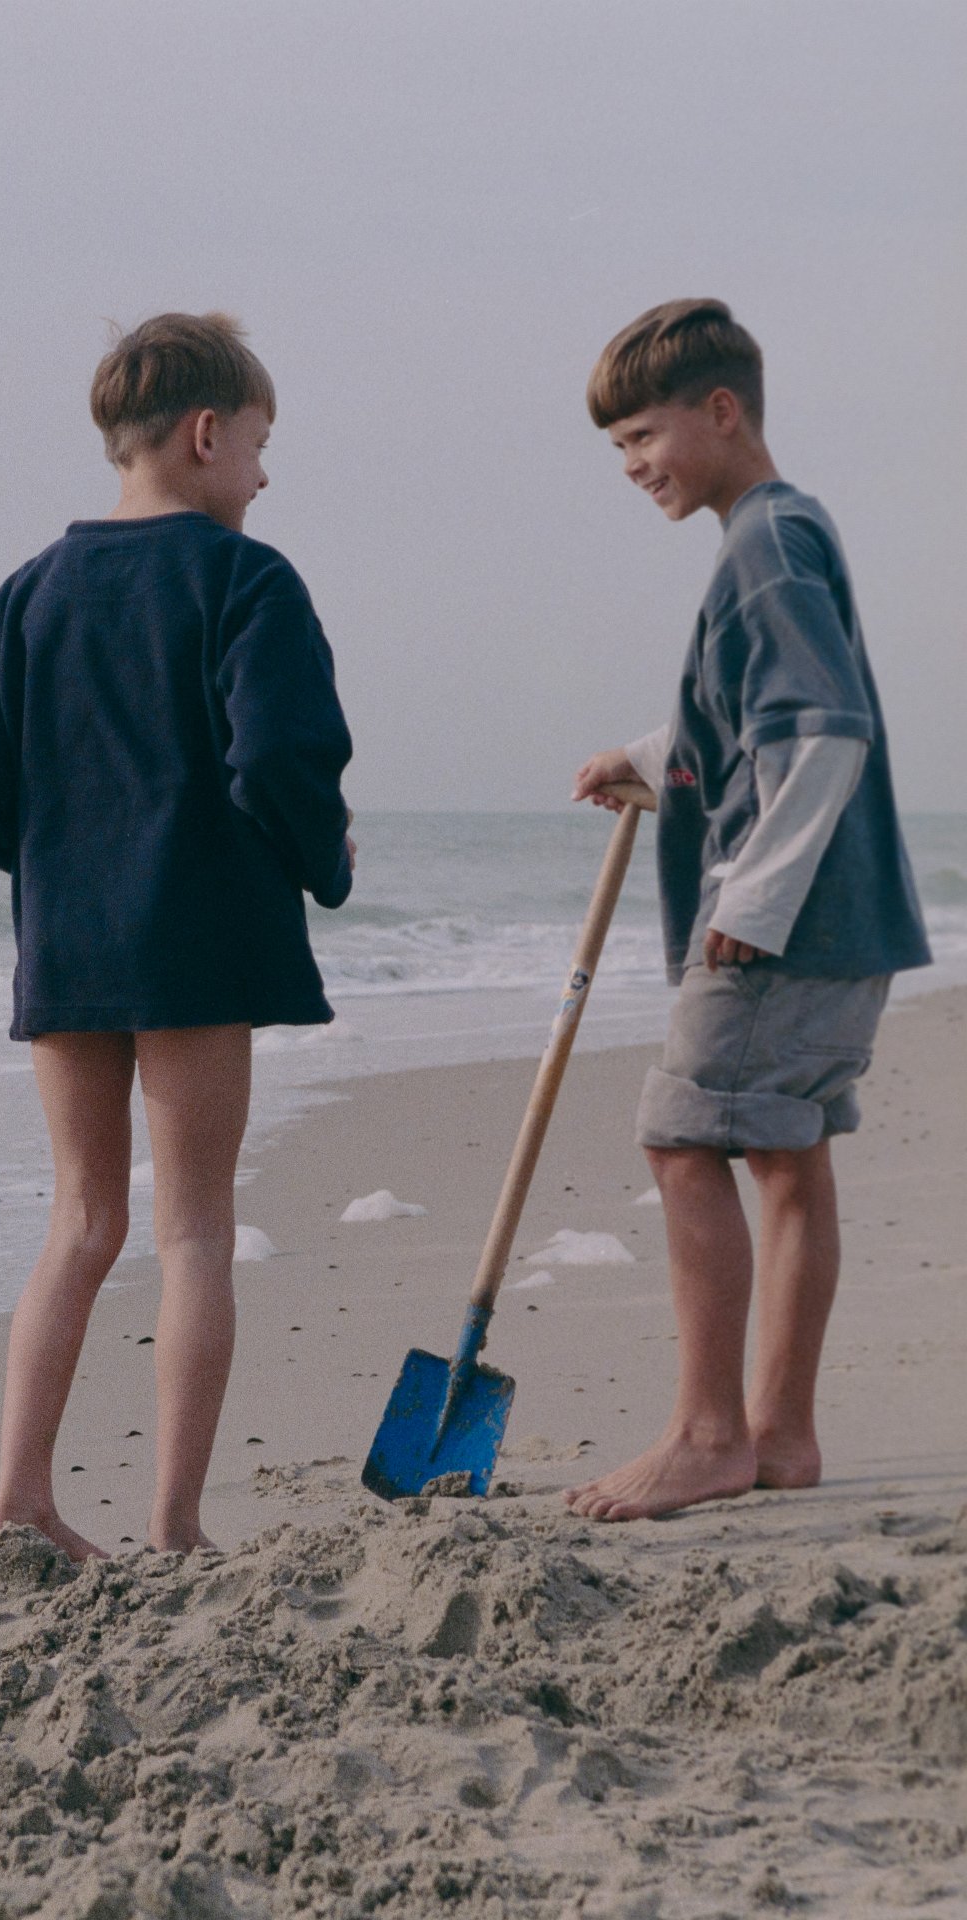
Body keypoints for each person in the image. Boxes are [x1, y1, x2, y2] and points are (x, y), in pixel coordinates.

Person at [0, 312, 354, 1557]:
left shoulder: (26, 593)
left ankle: (18, 1503)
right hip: (197, 942)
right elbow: (278, 759)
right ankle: (173, 1524)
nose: (264, 479)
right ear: (206, 433)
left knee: (78, 1223)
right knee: (194, 1230)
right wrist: (325, 858)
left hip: (68, 946)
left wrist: (66, 857)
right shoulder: (247, 580)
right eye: (260, 447)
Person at [567, 298, 930, 1522]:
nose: (631, 466)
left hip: (787, 928)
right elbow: (747, 715)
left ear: (720, 411)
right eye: (616, 446)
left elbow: (823, 732)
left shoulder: (763, 543)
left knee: (681, 1141)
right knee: (783, 1155)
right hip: (846, 923)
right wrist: (643, 756)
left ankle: (707, 1433)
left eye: (641, 436)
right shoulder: (783, 532)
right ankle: (778, 1433)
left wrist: (756, 899)